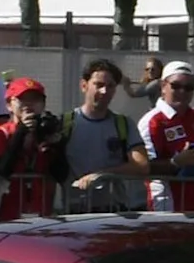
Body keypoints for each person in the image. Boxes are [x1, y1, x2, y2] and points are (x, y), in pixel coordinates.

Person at [56, 61, 155, 212]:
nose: (104, 91)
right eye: (99, 85)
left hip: (114, 212)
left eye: (110, 86)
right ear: (84, 86)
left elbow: (141, 165)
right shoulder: (65, 123)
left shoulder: (123, 124)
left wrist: (102, 174)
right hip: (75, 212)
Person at [139, 61, 194, 213]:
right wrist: (175, 162)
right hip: (169, 203)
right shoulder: (152, 121)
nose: (182, 91)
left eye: (189, 87)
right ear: (163, 86)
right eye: (176, 86)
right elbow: (144, 167)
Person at [0, 76, 69, 219]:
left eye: (35, 99)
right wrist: (21, 131)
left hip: (41, 212)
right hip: (6, 212)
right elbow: (2, 171)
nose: (29, 104)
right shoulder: (0, 133)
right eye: (22, 99)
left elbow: (61, 175)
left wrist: (56, 144)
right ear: (9, 104)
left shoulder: (45, 133)